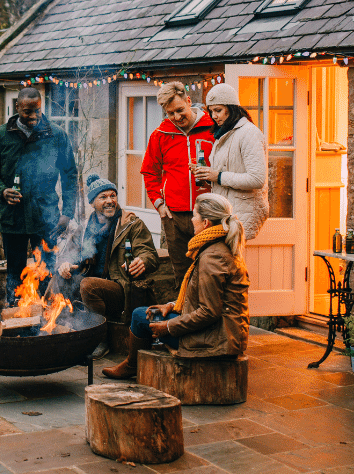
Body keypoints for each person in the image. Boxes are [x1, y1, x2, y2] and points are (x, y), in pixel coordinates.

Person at [102, 193, 249, 380]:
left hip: (218, 339)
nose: (191, 220)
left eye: (194, 216)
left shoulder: (213, 258)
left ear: (206, 224)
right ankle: (134, 363)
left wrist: (169, 327)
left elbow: (209, 312)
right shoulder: (214, 247)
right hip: (221, 333)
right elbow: (202, 296)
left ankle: (132, 365)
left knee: (139, 316)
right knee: (148, 312)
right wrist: (171, 305)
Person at [0, 86, 78, 307]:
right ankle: (16, 314)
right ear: (17, 108)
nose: (33, 116)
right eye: (27, 111)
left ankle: (45, 318)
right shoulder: (0, 136)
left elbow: (70, 176)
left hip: (46, 219)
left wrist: (67, 213)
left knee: (45, 271)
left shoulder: (57, 135)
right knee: (14, 272)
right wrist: (2, 190)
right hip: (12, 218)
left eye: (37, 110)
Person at [55, 174, 159, 359]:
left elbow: (149, 254)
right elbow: (69, 254)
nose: (110, 201)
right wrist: (64, 265)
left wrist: (142, 260)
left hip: (122, 287)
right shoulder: (85, 227)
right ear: (92, 203)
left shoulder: (131, 224)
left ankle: (99, 339)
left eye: (113, 196)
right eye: (103, 197)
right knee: (60, 278)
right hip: (92, 285)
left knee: (88, 285)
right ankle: (65, 329)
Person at [140, 81, 215, 289]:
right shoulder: (160, 135)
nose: (176, 117)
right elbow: (149, 172)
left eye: (180, 110)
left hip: (208, 213)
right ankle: (185, 317)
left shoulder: (212, 129)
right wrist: (160, 205)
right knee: (182, 275)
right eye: (170, 113)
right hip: (175, 216)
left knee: (209, 270)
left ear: (189, 101)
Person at [193, 83, 269, 240]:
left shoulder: (249, 133)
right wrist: (206, 174)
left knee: (233, 263)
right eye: (211, 111)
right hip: (227, 213)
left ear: (232, 107)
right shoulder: (225, 133)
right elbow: (226, 171)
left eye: (218, 110)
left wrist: (218, 176)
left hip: (240, 214)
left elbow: (257, 179)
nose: (213, 116)